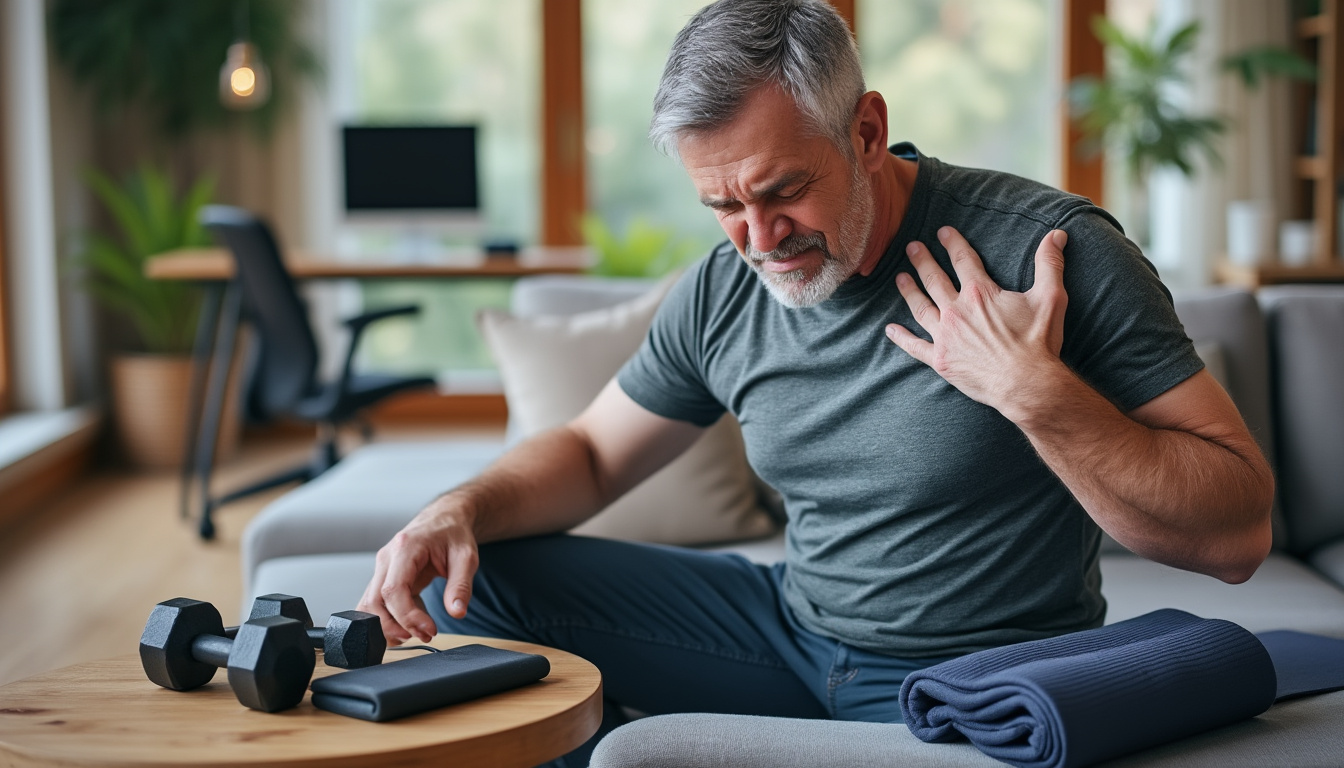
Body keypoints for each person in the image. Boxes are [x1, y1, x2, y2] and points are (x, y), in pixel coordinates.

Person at [359, 0, 1274, 762]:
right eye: (723, 205)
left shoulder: (1043, 253)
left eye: (782, 190)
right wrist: (458, 507)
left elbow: (1238, 532)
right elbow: (596, 454)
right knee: (467, 580)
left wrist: (1032, 390)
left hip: (975, 676)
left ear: (866, 131)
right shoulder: (726, 289)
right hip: (790, 631)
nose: (759, 239)